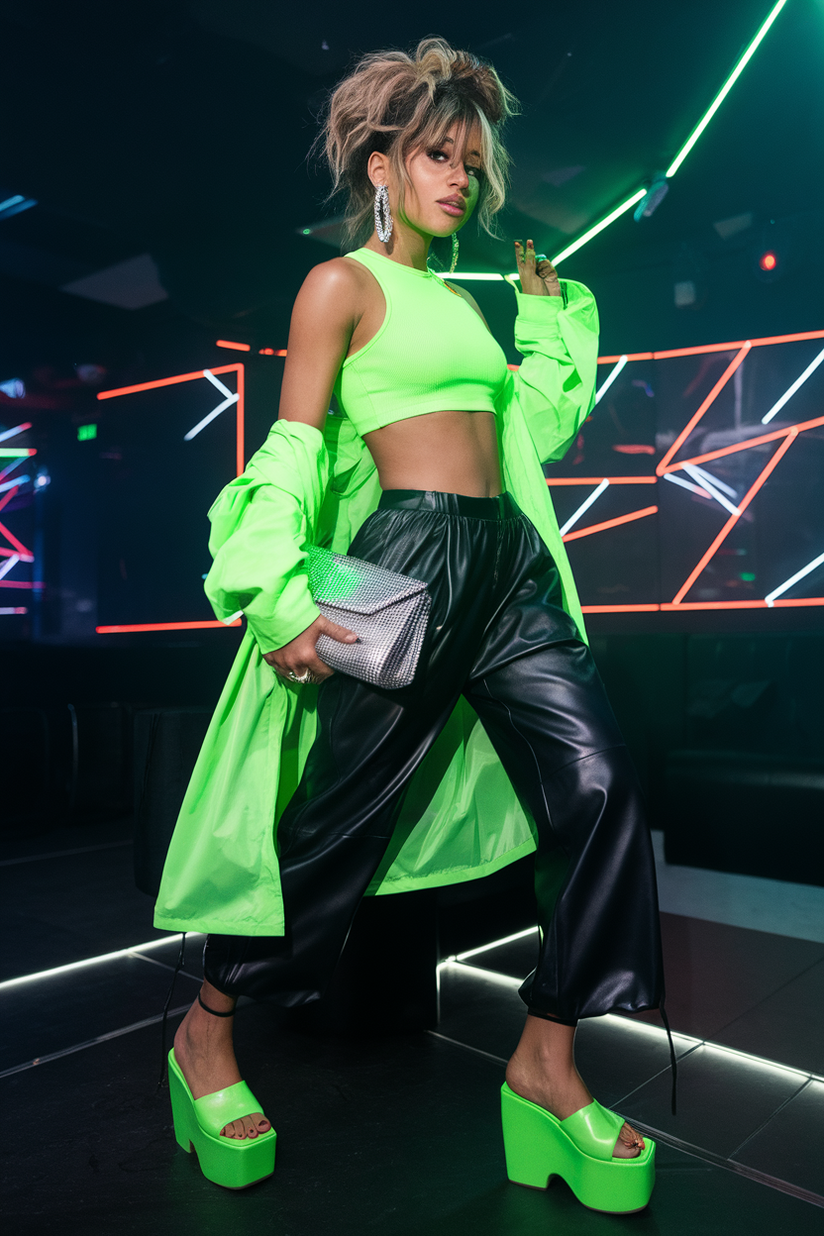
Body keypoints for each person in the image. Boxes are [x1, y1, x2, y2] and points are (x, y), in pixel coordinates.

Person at [156, 37, 667, 1211]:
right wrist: (279, 591)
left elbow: (520, 440)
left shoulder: (459, 302)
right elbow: (289, 445)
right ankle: (206, 1031)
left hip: (510, 569)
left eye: (471, 163)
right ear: (378, 162)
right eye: (438, 156)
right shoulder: (342, 285)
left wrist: (542, 328)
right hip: (411, 562)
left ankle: (547, 1058)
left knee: (600, 793)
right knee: (336, 826)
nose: (461, 181)